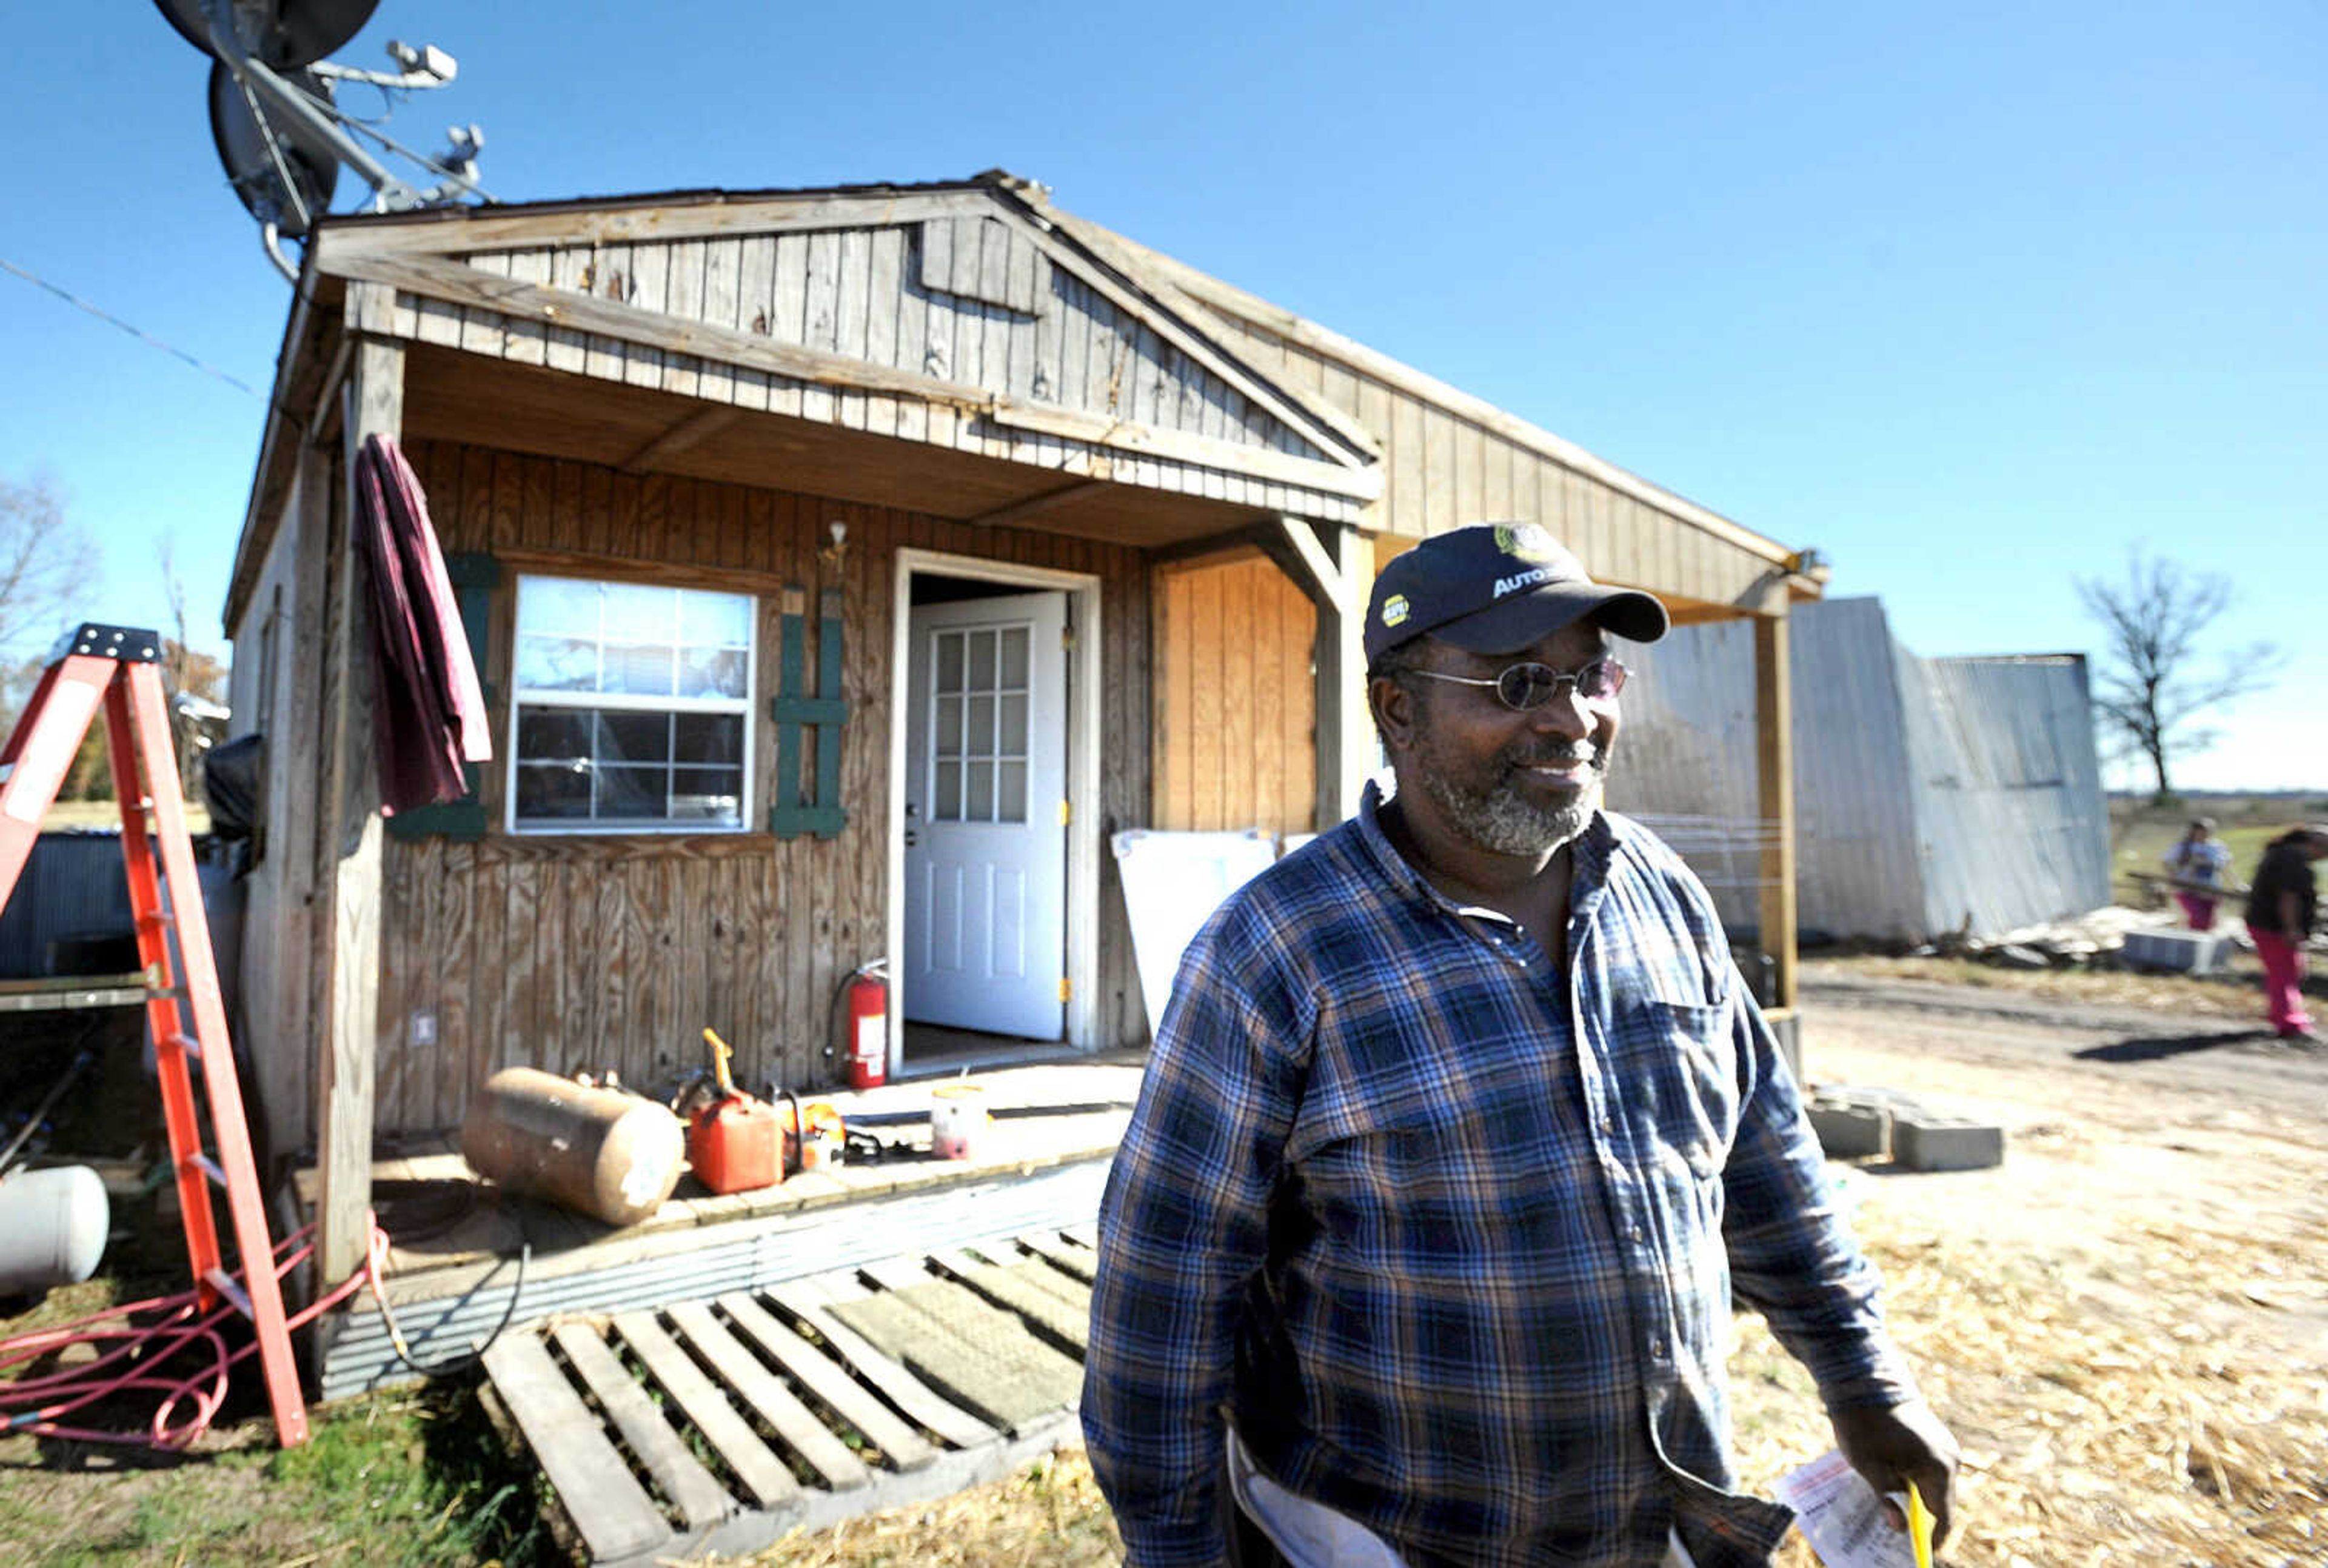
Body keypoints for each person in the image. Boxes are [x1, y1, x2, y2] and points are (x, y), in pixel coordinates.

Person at [1083, 522, 1958, 1568]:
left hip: (1662, 1533)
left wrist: (1865, 1379)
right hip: (1385, 1540)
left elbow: (1768, 1166)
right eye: (1515, 684)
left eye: (1593, 675)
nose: (1572, 717)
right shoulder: (1279, 949)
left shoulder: (1662, 896)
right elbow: (1165, 1288)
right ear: (1397, 708)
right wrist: (1175, 1546)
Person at [2242, 825, 2328, 1044]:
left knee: (2288, 972)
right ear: (2314, 845)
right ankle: (2289, 1023)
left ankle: (2281, 1014)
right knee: (2285, 974)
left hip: (2267, 924)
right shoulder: (2291, 860)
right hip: (2275, 927)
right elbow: (2288, 897)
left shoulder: (2282, 854)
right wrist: (2292, 929)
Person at [2161, 818, 2233, 930]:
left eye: (2207, 830)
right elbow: (2166, 861)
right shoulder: (2184, 847)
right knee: (2198, 918)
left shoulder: (2217, 847)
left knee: (2209, 923)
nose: (2203, 833)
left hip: (2211, 890)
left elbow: (2225, 866)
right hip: (2187, 889)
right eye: (2200, 830)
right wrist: (2174, 877)